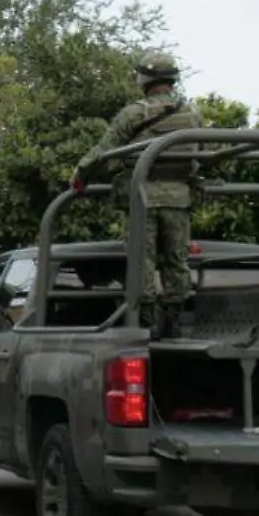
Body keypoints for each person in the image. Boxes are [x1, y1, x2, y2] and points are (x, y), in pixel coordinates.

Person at [72, 52, 203, 338]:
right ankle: (175, 320)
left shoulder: (135, 113)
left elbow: (104, 150)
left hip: (142, 198)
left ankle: (146, 321)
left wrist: (81, 176)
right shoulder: (191, 114)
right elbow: (199, 154)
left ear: (144, 78)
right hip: (178, 199)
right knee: (176, 260)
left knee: (141, 260)